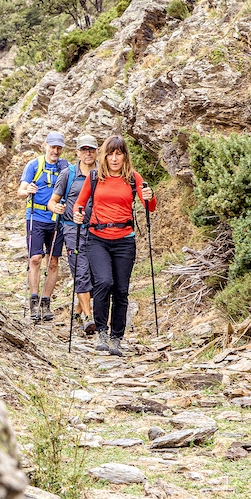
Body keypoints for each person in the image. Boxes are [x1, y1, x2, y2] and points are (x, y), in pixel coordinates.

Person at [72, 135, 156, 356]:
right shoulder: (94, 177)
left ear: (125, 156)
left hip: (124, 240)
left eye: (119, 153)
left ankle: (116, 338)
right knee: (103, 282)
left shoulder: (132, 178)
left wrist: (150, 195)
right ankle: (102, 332)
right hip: (97, 238)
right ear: (104, 155)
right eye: (111, 153)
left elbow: (151, 206)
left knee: (120, 290)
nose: (115, 158)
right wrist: (78, 215)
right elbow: (79, 205)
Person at [47, 134, 98, 337]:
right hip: (71, 229)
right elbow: (53, 201)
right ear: (77, 152)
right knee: (81, 270)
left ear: (97, 152)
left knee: (98, 274)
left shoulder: (102, 174)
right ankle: (88, 316)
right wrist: (56, 208)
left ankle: (77, 312)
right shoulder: (68, 174)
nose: (88, 153)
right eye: (83, 150)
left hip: (98, 230)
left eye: (91, 150)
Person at [17, 131, 70, 323]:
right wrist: (27, 190)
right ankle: (33, 299)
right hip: (36, 217)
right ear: (45, 145)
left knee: (53, 262)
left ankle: (45, 303)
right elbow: (20, 191)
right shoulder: (34, 165)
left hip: (57, 219)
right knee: (35, 259)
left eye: (59, 147)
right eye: (53, 146)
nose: (55, 151)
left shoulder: (66, 167)